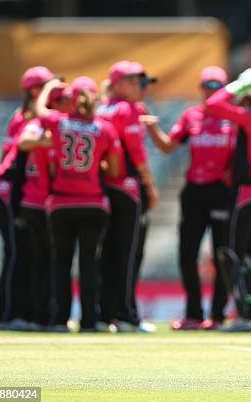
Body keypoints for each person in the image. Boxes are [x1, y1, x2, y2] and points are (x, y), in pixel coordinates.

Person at [140, 66, 237, 330]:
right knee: (186, 253)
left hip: (221, 192)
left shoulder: (234, 118)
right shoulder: (191, 116)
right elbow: (169, 146)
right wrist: (152, 128)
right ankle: (193, 313)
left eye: (217, 86)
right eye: (207, 86)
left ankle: (217, 315)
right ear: (201, 89)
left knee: (222, 254)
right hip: (194, 190)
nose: (211, 91)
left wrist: (233, 173)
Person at [25, 76, 121, 332]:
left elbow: (38, 110)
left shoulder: (59, 122)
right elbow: (114, 169)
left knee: (61, 263)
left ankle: (59, 320)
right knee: (89, 264)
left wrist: (46, 89)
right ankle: (89, 320)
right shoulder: (106, 129)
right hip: (93, 202)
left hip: (61, 203)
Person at [205, 68, 251, 332]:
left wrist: (237, 85)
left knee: (234, 255)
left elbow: (213, 103)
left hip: (249, 193)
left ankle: (245, 314)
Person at [0, 66, 57, 331]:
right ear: (36, 90)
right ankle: (6, 313)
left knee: (24, 252)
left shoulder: (24, 117)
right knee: (16, 252)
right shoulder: (24, 119)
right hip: (8, 192)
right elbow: (16, 156)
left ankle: (24, 312)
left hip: (14, 191)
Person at [97, 61, 159, 332]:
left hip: (102, 188)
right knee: (128, 253)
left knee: (107, 252)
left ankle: (105, 312)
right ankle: (127, 315)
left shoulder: (102, 108)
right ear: (119, 84)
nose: (140, 87)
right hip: (127, 189)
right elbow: (137, 154)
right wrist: (151, 186)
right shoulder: (127, 109)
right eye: (134, 82)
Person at [17, 84, 72, 330]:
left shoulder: (64, 126)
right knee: (44, 261)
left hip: (49, 203)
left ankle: (45, 316)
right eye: (60, 100)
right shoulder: (44, 126)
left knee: (49, 262)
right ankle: (40, 316)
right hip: (38, 203)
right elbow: (24, 141)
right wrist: (47, 140)